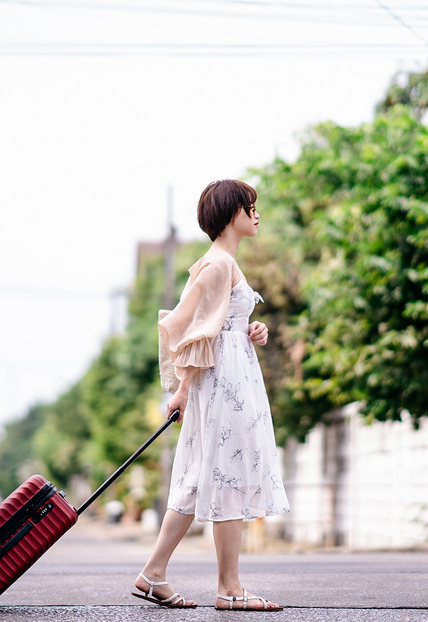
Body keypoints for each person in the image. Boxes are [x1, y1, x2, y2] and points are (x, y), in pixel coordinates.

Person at [132, 179, 289, 612]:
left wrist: (250, 330)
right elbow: (194, 331)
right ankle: (229, 588)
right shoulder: (218, 264)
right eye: (249, 206)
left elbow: (220, 326)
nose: (256, 213)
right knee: (228, 478)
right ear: (229, 213)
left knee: (200, 477)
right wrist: (183, 390)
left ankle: (153, 573)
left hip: (229, 379)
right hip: (223, 386)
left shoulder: (224, 263)